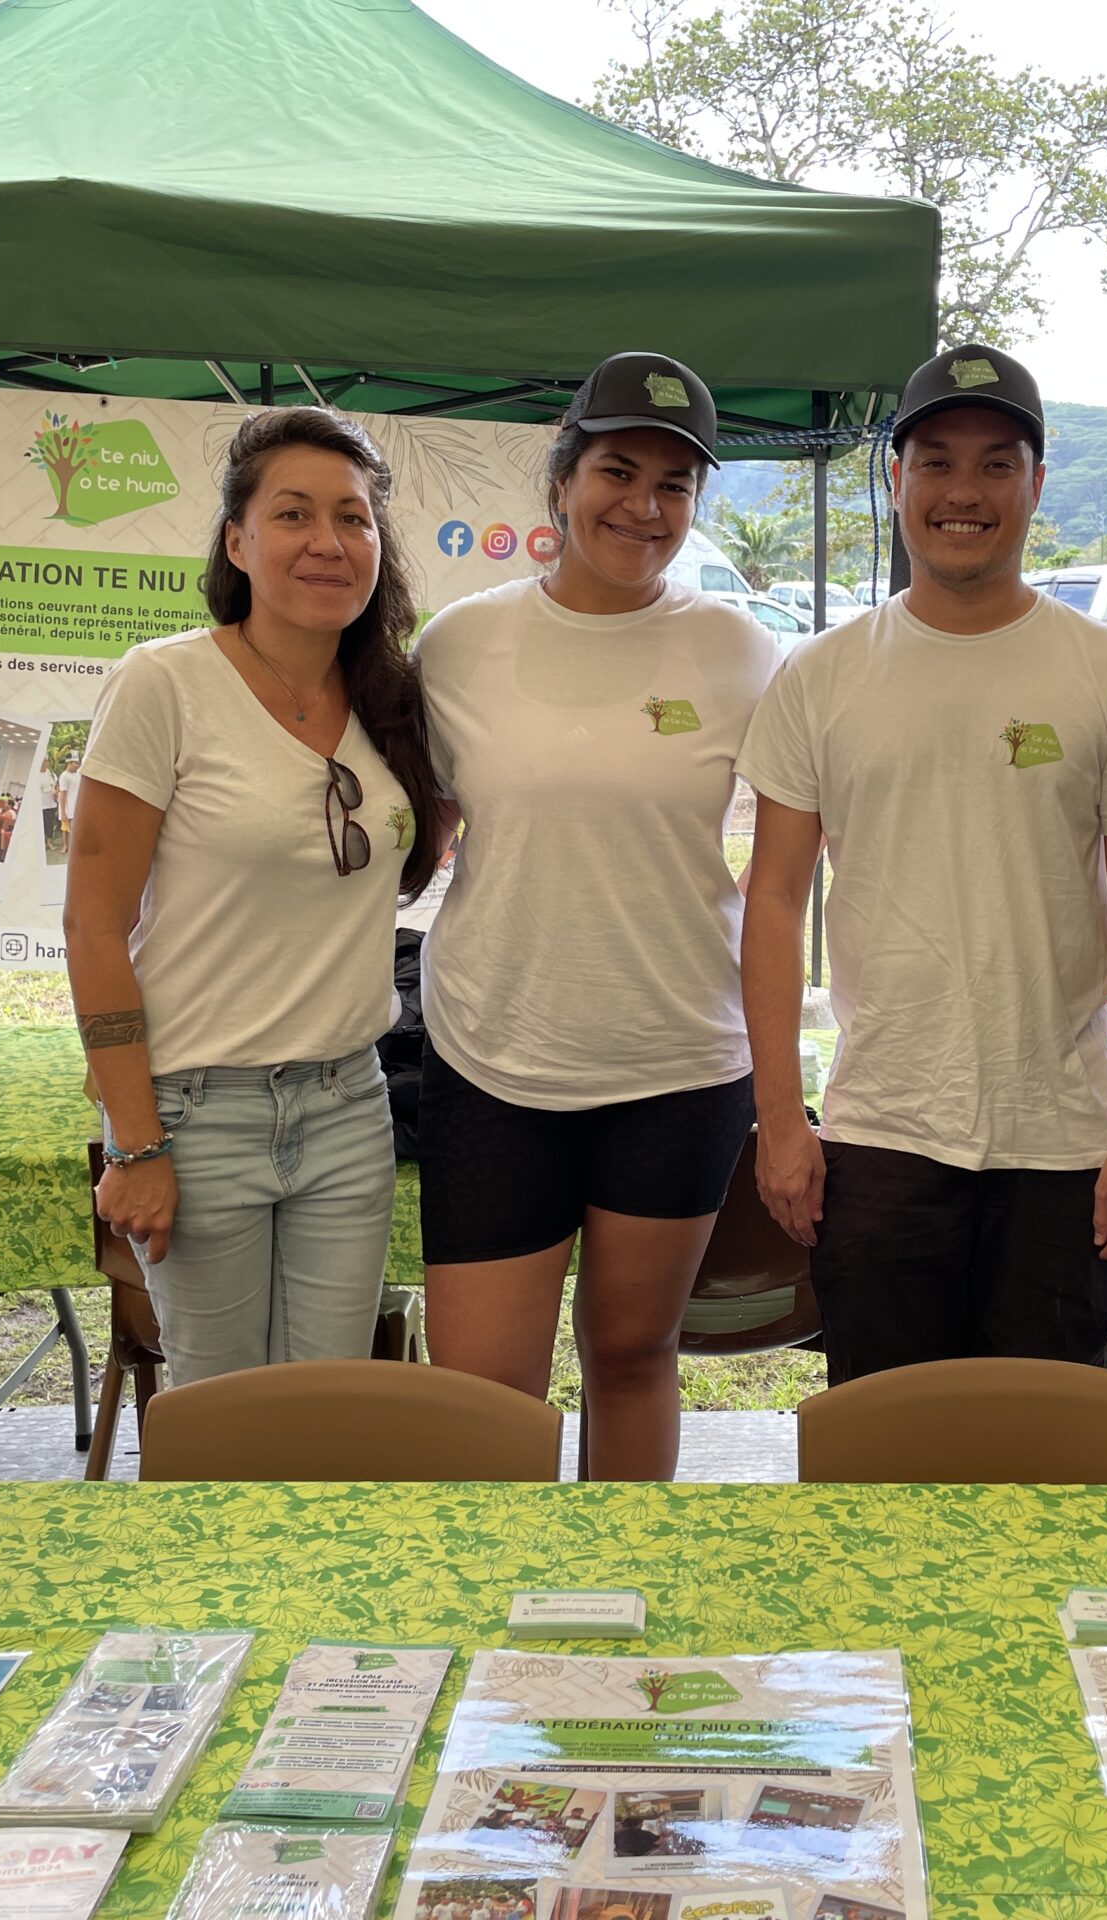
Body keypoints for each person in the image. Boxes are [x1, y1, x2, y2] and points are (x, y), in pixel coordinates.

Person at [738, 342, 1107, 1381]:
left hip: (1064, 1142)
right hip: (880, 1134)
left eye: (996, 463)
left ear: (1037, 481)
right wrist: (778, 1123)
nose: (963, 492)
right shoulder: (820, 675)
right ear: (896, 480)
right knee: (885, 1448)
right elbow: (771, 900)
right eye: (935, 461)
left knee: (1040, 1452)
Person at [416, 351, 776, 1479]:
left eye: (675, 486)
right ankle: (489, 1618)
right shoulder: (459, 644)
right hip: (494, 1057)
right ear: (561, 482)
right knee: (481, 1392)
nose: (645, 506)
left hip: (677, 1061)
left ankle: (625, 1618)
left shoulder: (738, 650)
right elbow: (404, 829)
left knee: (630, 1352)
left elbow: (794, 867)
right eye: (619, 471)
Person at [63, 407, 446, 1384]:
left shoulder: (392, 700)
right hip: (196, 1114)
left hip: (346, 1101)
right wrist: (134, 1143)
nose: (328, 542)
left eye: (354, 519)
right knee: (221, 1415)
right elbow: (93, 926)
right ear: (236, 540)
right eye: (293, 515)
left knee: (323, 1410)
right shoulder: (165, 684)